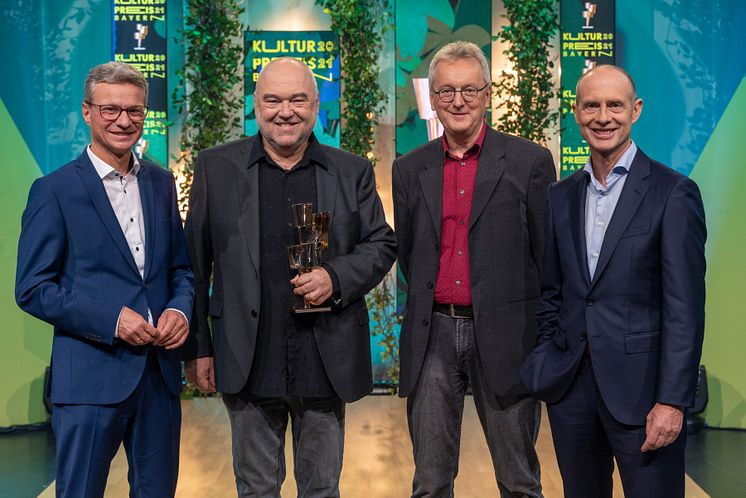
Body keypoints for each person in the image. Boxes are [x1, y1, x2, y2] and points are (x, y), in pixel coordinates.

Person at [182, 57, 396, 497]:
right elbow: (194, 264)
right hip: (247, 358)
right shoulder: (215, 167)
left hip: (325, 358)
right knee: (256, 490)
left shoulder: (350, 170)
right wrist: (198, 349)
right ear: (255, 105)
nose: (286, 111)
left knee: (321, 490)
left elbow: (381, 244)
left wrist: (335, 278)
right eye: (273, 100)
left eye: (298, 99)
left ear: (316, 106)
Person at [521, 64, 706, 498]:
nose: (603, 116)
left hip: (644, 398)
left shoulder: (673, 192)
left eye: (615, 105)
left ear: (635, 110)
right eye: (592, 106)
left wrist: (672, 401)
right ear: (576, 113)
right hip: (571, 394)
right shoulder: (560, 195)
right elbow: (553, 293)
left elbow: (685, 309)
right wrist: (548, 359)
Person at [15, 61, 194, 497]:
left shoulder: (162, 182)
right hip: (90, 381)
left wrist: (178, 309)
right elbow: (33, 289)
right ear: (87, 111)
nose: (123, 120)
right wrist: (114, 319)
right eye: (110, 109)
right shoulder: (53, 190)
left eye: (134, 111)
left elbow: (181, 270)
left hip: (158, 380)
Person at [393, 41, 556, 498]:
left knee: (519, 481)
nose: (458, 101)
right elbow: (410, 253)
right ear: (433, 99)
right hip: (433, 336)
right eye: (446, 92)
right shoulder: (409, 169)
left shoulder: (530, 162)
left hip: (508, 336)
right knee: (429, 483)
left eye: (468, 90)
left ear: (487, 94)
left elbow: (546, 258)